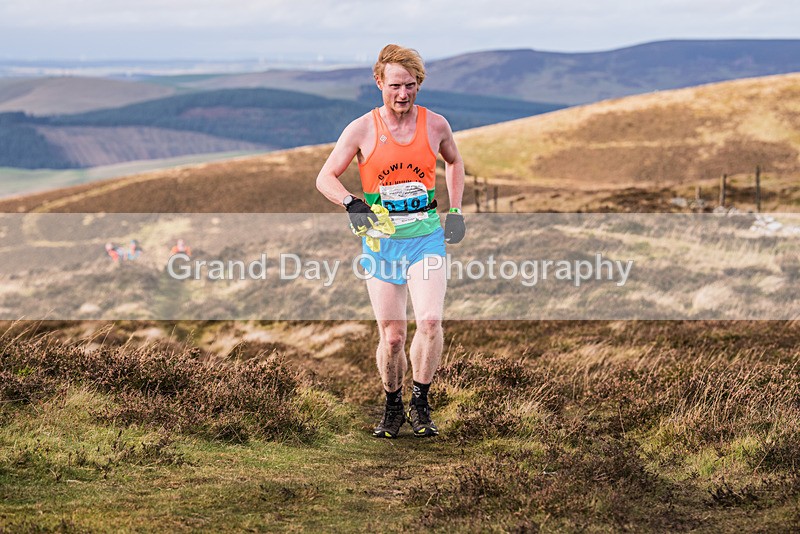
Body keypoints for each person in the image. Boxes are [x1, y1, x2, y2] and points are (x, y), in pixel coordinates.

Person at [316, 44, 466, 438]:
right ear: (379, 82)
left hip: (426, 240)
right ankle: (392, 403)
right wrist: (351, 202)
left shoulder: (436, 125)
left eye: (411, 85)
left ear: (419, 84)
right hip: (382, 246)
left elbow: (454, 161)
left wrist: (456, 210)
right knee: (393, 336)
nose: (403, 94)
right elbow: (325, 177)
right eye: (395, 85)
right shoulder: (362, 128)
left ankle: (421, 402)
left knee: (430, 322)